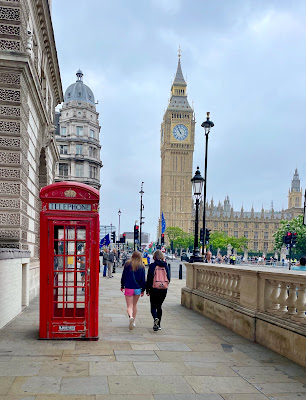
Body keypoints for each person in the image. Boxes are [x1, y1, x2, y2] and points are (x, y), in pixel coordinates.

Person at [121, 251, 146, 330]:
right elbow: (143, 279)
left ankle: (130, 317)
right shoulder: (141, 266)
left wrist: (122, 285)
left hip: (128, 287)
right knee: (134, 305)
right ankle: (134, 321)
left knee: (129, 306)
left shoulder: (127, 264)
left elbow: (124, 276)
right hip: (137, 288)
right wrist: (143, 290)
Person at [146, 250, 170, 331]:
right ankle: (158, 325)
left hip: (154, 288)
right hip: (163, 289)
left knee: (153, 306)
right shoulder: (165, 266)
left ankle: (155, 318)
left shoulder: (152, 266)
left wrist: (147, 289)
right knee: (159, 306)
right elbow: (168, 277)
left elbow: (149, 278)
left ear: (154, 257)